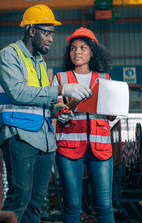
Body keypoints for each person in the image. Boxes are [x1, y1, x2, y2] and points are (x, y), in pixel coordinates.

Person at [0, 5, 93, 223]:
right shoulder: (9, 55)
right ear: (31, 30)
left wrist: (58, 109)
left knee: (36, 203)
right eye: (46, 33)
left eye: (52, 34)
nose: (51, 39)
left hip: (44, 138)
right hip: (19, 134)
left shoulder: (39, 61)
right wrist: (62, 89)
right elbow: (18, 92)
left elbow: (41, 99)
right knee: (19, 197)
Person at [51, 27, 116, 222]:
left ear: (92, 52)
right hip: (68, 148)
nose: (77, 52)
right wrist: (58, 112)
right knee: (72, 205)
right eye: (73, 48)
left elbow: (111, 115)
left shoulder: (104, 79)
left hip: (100, 147)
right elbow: (55, 105)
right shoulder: (60, 79)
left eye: (83, 48)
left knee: (104, 205)